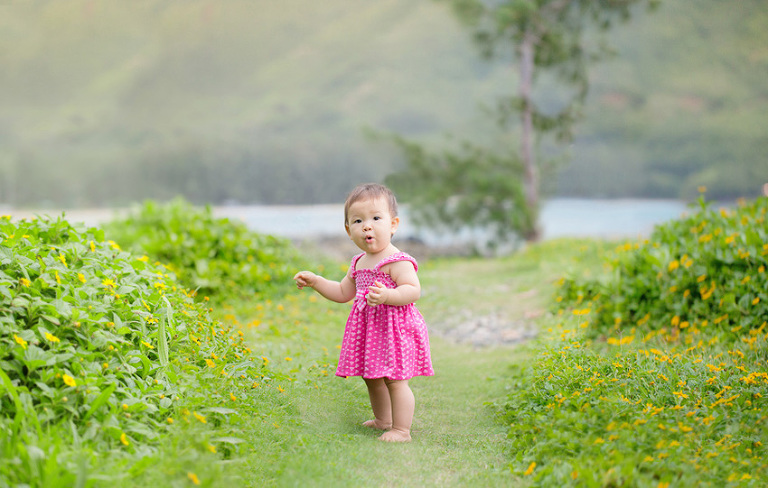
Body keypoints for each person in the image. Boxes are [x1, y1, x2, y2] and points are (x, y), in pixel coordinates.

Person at [293, 183, 434, 442]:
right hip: (371, 332)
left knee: (395, 380)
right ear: (348, 230)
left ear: (393, 224)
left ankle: (402, 430)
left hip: (395, 330)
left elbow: (413, 290)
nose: (367, 226)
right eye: (358, 221)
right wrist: (316, 281)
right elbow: (342, 292)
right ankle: (384, 419)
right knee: (372, 378)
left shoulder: (397, 260)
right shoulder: (358, 262)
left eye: (376, 218)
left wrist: (389, 296)